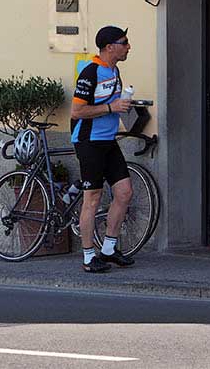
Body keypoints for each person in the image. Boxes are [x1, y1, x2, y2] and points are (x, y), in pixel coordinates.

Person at [71, 25, 134, 273]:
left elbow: (112, 102)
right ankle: (88, 257)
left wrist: (125, 105)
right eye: (125, 42)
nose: (129, 46)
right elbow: (77, 111)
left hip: (108, 140)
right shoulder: (91, 72)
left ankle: (108, 248)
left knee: (124, 192)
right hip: (89, 142)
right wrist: (112, 108)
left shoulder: (114, 70)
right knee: (93, 198)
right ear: (110, 47)